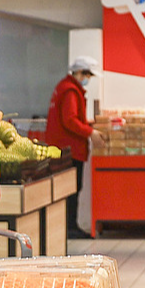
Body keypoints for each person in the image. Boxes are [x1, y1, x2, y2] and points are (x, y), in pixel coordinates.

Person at [45, 57, 99, 238]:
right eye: (86, 74)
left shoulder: (64, 87)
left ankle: (69, 226)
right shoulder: (70, 91)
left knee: (69, 189)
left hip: (63, 147)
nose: (87, 78)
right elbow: (69, 120)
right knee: (71, 189)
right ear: (78, 72)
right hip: (70, 149)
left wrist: (88, 124)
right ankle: (70, 227)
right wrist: (90, 132)